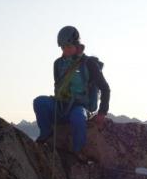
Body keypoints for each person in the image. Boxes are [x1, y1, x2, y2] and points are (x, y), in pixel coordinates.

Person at [33, 26, 110, 156]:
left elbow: (105, 88)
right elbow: (58, 86)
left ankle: (77, 151)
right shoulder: (58, 64)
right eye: (63, 47)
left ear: (76, 44)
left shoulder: (89, 63)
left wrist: (102, 112)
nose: (65, 50)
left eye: (68, 46)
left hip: (80, 106)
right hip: (61, 104)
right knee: (39, 102)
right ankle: (46, 134)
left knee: (78, 117)